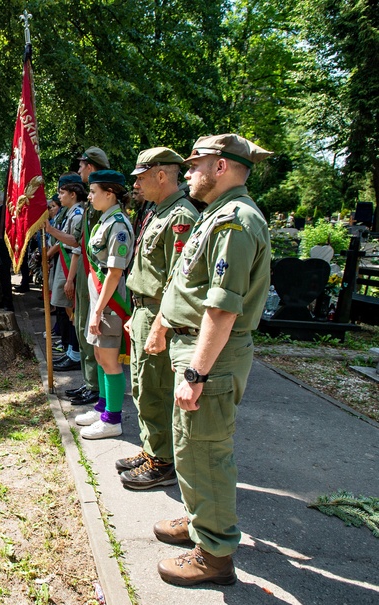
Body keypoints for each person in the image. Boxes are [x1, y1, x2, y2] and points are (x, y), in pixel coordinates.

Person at [154, 134, 271, 587]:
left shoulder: (236, 222)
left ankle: (216, 555)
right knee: (190, 448)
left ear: (220, 166)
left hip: (212, 358)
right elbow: (192, 286)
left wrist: (197, 371)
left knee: (205, 452)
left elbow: (222, 308)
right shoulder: (217, 216)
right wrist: (165, 324)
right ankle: (199, 517)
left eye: (194, 164)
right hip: (196, 348)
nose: (187, 172)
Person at [118, 148, 199, 491]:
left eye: (141, 175)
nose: (136, 182)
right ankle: (153, 448)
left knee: (156, 389)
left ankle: (163, 461)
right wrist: (136, 312)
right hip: (144, 308)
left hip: (158, 312)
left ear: (161, 175)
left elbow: (177, 279)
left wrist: (158, 324)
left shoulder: (181, 215)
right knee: (142, 386)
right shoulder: (158, 212)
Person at [74, 170, 133, 440]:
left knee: (110, 360)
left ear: (110, 194)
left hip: (109, 304)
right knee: (99, 355)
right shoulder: (104, 220)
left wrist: (98, 311)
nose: (89, 195)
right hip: (99, 301)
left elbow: (114, 272)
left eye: (94, 191)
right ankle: (101, 409)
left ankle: (113, 419)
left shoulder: (118, 225)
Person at [66, 146, 110, 407]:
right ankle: (89, 381)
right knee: (82, 326)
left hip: (94, 273)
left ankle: (95, 385)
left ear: (91, 167)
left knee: (91, 330)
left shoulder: (100, 202)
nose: (79, 169)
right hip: (85, 270)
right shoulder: (92, 203)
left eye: (82, 165)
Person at [45, 174, 86, 372]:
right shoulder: (70, 212)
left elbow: (74, 241)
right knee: (64, 308)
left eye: (62, 193)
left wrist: (51, 231)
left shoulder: (78, 213)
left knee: (70, 310)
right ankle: (70, 350)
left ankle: (75, 353)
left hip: (71, 263)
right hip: (64, 261)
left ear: (73, 193)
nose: (59, 197)